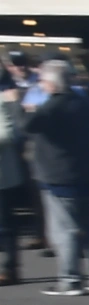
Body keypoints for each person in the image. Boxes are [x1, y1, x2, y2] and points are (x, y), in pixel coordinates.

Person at [24, 60, 89, 296]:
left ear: (51, 83)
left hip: (62, 178)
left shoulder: (54, 105)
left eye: (43, 80)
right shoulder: (85, 103)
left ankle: (70, 279)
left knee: (64, 231)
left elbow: (28, 125)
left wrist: (17, 106)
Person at [0, 80, 24, 285]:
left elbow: (7, 135)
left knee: (4, 225)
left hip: (2, 176)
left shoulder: (2, 102)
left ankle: (10, 269)